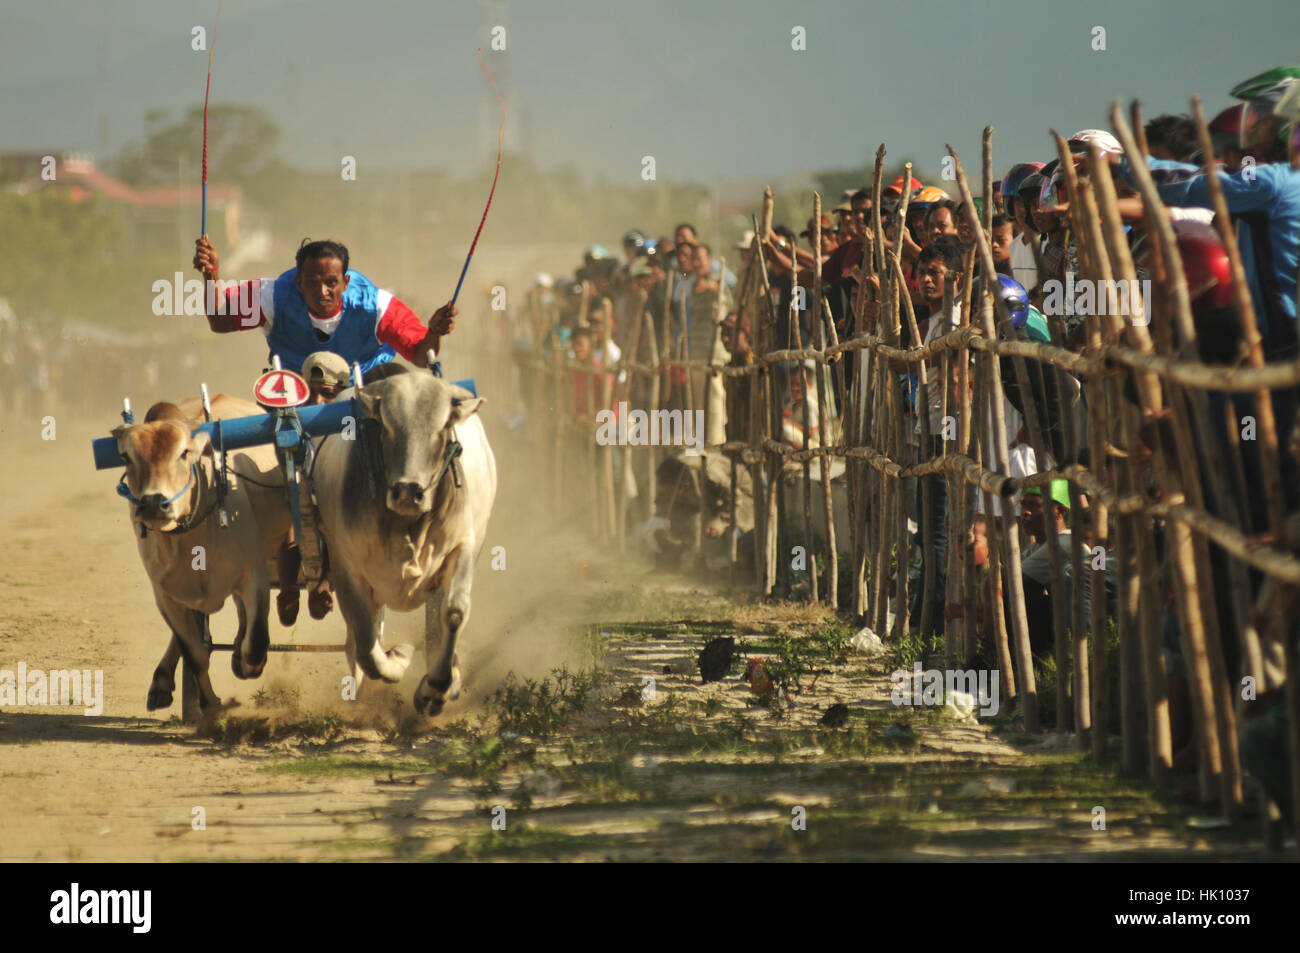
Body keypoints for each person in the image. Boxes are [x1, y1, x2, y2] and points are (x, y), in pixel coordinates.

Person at [193, 236, 456, 378]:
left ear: (346, 282)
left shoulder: (376, 305)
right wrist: (212, 274)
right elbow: (221, 322)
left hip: (367, 388)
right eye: (312, 283)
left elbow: (423, 356)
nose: (322, 292)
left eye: (331, 283)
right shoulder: (272, 296)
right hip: (298, 395)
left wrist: (434, 330)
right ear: (298, 282)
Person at [274, 350, 350, 625]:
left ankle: (326, 585)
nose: (318, 402)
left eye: (328, 394)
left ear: (344, 394)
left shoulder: (352, 429)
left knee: (339, 519)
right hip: (299, 501)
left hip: (338, 508)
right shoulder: (290, 423)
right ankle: (288, 590)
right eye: (311, 394)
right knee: (287, 510)